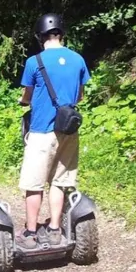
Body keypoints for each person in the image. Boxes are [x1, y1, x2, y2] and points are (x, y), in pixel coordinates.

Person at [17, 14, 91, 248]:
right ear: (61, 34)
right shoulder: (78, 59)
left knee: (34, 183)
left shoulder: (34, 62)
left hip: (42, 130)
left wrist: (24, 101)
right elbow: (80, 96)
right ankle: (55, 230)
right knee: (59, 181)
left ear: (41, 36)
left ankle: (30, 233)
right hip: (69, 129)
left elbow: (27, 96)